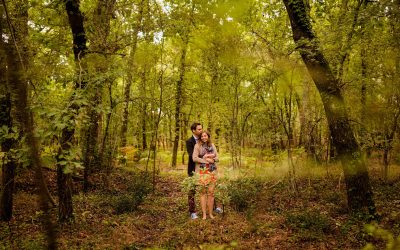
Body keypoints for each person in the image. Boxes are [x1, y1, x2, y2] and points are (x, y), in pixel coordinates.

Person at [192, 131, 219, 220]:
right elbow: (194, 158)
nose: (204, 137)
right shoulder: (197, 146)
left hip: (212, 172)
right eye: (202, 136)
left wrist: (213, 160)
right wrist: (206, 160)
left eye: (205, 135)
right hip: (202, 171)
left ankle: (210, 213)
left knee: (211, 193)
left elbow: (217, 157)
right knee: (203, 193)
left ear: (208, 136)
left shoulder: (212, 145)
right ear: (200, 137)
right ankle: (204, 214)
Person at [186, 122, 203, 220]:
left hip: (205, 168)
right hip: (193, 169)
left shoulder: (204, 139)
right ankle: (192, 212)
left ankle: (214, 207)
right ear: (193, 130)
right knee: (192, 190)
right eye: (199, 129)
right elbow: (192, 156)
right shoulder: (189, 141)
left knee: (208, 187)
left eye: (201, 129)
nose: (201, 131)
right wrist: (205, 157)